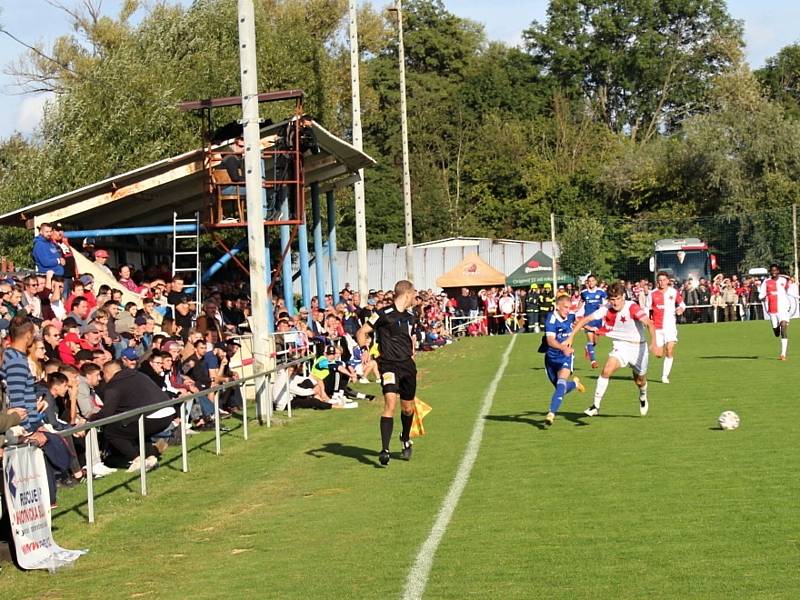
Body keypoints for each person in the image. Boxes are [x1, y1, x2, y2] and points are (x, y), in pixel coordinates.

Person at [566, 282, 658, 418]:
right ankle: (595, 406)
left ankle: (643, 396)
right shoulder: (606, 308)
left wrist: (654, 343)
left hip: (639, 347)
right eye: (612, 299)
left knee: (640, 381)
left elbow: (649, 323)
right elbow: (585, 320)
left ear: (623, 297)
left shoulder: (632, 307)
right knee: (606, 370)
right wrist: (571, 337)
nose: (615, 303)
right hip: (621, 346)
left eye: (618, 298)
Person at [356, 279, 417, 466]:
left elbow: (411, 340)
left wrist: (412, 352)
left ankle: (405, 437)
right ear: (407, 294)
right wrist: (364, 349)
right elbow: (361, 332)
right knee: (390, 402)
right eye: (414, 293)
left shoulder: (410, 317)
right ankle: (385, 450)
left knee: (407, 408)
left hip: (407, 366)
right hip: (389, 365)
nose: (415, 297)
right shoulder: (382, 314)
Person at [542, 295, 585, 426]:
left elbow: (579, 323)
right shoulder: (551, 319)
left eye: (569, 307)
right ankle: (575, 384)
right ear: (558, 306)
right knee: (561, 388)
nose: (568, 310)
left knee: (561, 383)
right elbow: (550, 341)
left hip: (565, 356)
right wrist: (562, 347)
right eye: (565, 307)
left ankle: (551, 413)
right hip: (551, 358)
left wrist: (591, 328)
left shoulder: (571, 316)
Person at [649, 271, 686, 383]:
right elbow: (647, 308)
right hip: (657, 327)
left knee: (669, 350)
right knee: (659, 354)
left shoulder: (673, 292)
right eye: (660, 280)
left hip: (670, 326)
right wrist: (647, 320)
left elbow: (682, 304)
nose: (662, 282)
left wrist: (681, 309)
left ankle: (665, 376)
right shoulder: (652, 294)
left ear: (668, 281)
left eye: (664, 280)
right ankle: (647, 349)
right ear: (657, 282)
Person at [758, 264, 796, 360]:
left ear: (778, 271)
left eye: (775, 270)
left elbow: (790, 291)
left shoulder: (783, 281)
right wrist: (763, 296)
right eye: (772, 271)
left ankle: (783, 354)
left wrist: (798, 296)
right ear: (770, 272)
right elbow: (760, 295)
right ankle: (776, 327)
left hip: (783, 309)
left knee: (783, 327)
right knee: (776, 332)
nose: (774, 272)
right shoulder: (766, 282)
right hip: (772, 310)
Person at [578, 274, 607, 368]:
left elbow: (607, 301)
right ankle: (593, 361)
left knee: (595, 341)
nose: (591, 283)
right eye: (589, 281)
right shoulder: (584, 292)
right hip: (588, 319)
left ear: (595, 282)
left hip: (598, 319)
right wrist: (577, 309)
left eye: (592, 281)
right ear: (587, 282)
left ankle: (587, 348)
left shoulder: (601, 291)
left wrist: (603, 306)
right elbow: (581, 301)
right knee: (590, 340)